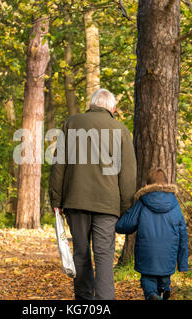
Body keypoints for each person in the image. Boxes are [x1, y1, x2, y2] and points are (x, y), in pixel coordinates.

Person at [49, 88, 137, 300]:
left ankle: (84, 300)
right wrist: (125, 208)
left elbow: (58, 164)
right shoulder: (122, 131)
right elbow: (128, 175)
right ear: (112, 108)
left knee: (81, 253)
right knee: (104, 256)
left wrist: (56, 200)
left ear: (91, 104)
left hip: (75, 200)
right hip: (107, 204)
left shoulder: (72, 124)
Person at [115, 167, 189, 300]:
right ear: (167, 184)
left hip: (147, 254)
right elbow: (183, 234)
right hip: (168, 255)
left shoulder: (142, 202)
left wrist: (116, 222)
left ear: (147, 185)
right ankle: (164, 290)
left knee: (148, 281)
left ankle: (152, 295)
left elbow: (125, 225)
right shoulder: (174, 204)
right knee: (164, 278)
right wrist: (183, 263)